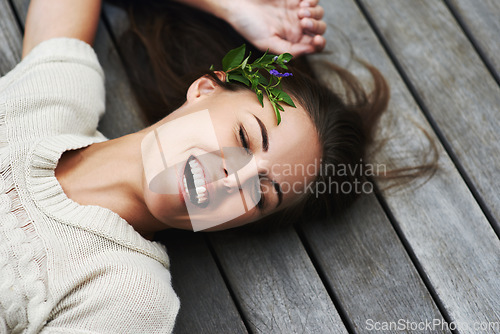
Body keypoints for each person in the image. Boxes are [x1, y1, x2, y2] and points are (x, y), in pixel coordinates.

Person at [0, 0, 390, 333]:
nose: (235, 178)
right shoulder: (50, 98)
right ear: (205, 90)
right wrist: (232, 6)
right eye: (243, 138)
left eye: (260, 194)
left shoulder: (127, 296)